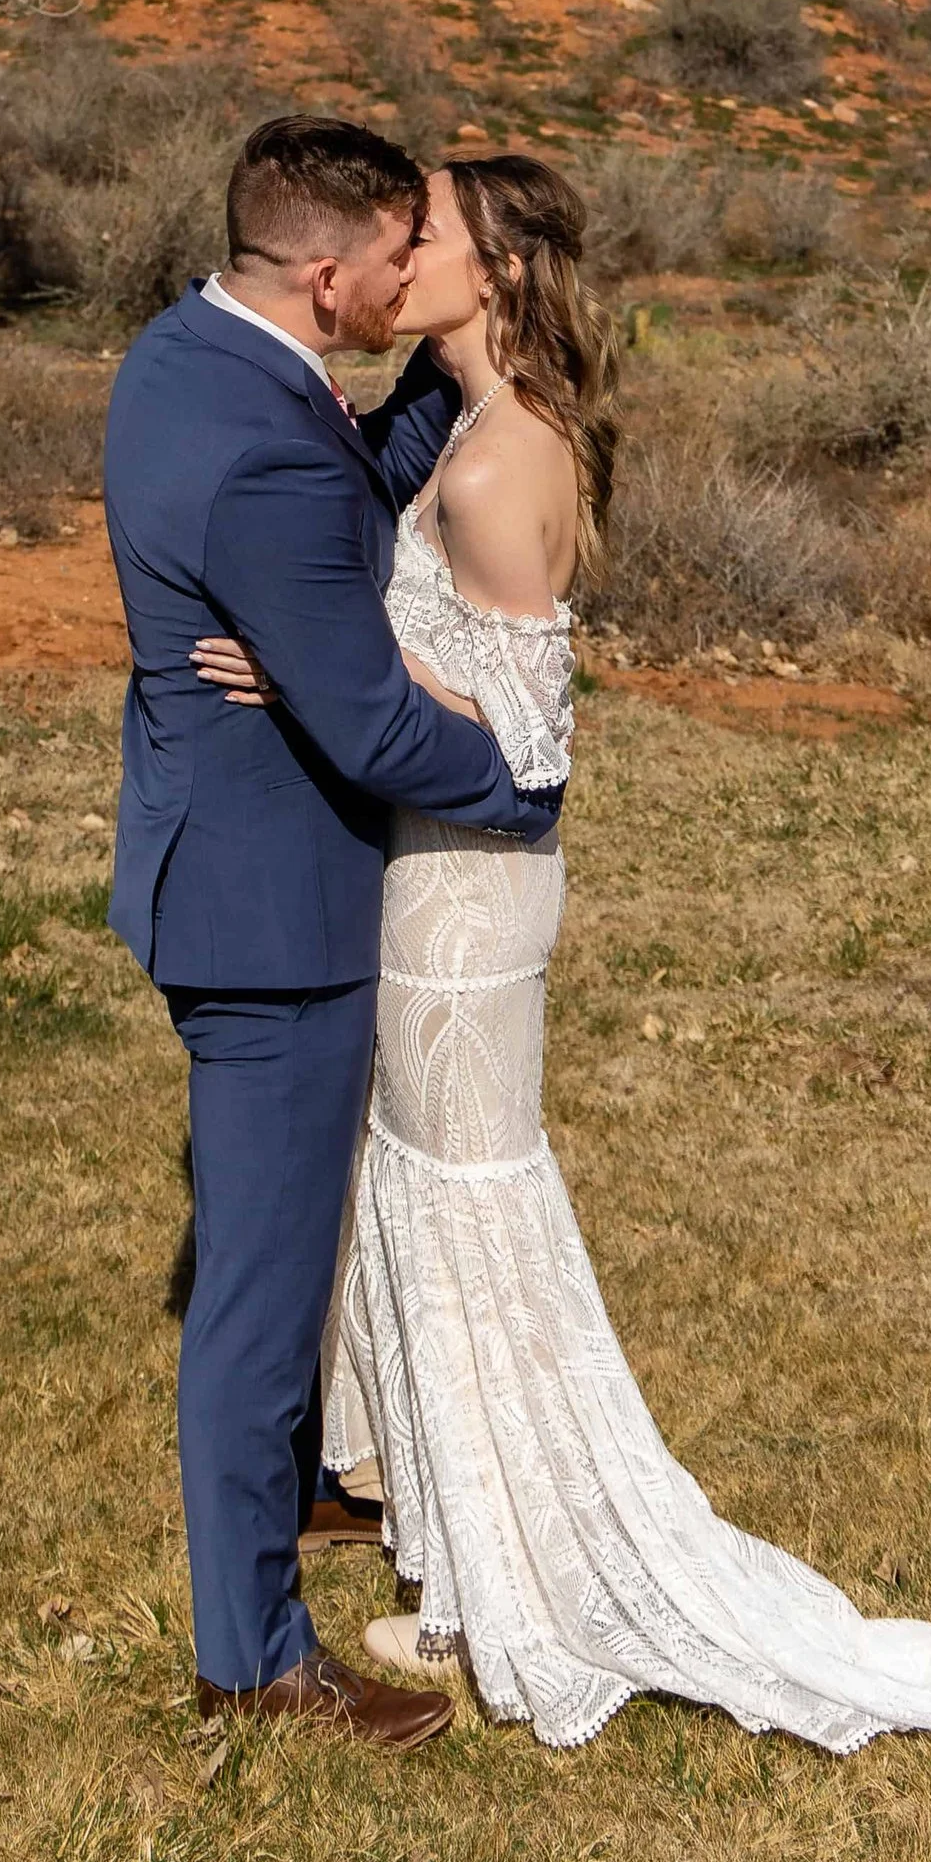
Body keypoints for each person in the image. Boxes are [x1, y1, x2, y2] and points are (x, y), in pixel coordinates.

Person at [196, 152, 931, 1758]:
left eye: (430, 234)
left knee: (470, 1200)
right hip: (444, 878)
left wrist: (315, 673)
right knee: (427, 1188)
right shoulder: (470, 425)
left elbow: (528, 730)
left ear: (503, 273)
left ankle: (537, 1572)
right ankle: (471, 1556)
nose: (398, 253)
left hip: (464, 895)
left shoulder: (493, 469)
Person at [103, 117, 566, 1753]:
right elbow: (374, 730)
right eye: (389, 256)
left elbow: (332, 516)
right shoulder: (274, 452)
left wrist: (453, 368)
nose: (399, 276)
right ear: (324, 271)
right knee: (258, 1280)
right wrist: (514, 781)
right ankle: (256, 1658)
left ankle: (300, 1484)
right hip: (274, 909)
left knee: (269, 1242)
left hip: (192, 857)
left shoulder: (185, 353)